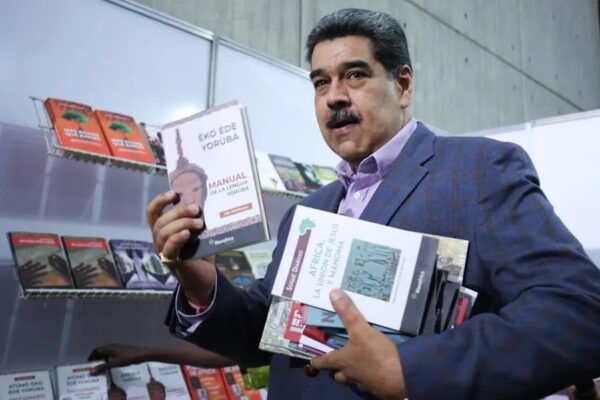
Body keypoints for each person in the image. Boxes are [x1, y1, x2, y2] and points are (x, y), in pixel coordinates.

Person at [146, 8, 600, 400]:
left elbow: (578, 313)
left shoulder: (479, 171)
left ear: (402, 85)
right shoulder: (309, 211)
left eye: (355, 75)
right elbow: (263, 337)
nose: (334, 96)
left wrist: (411, 371)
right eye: (321, 82)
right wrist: (199, 281)